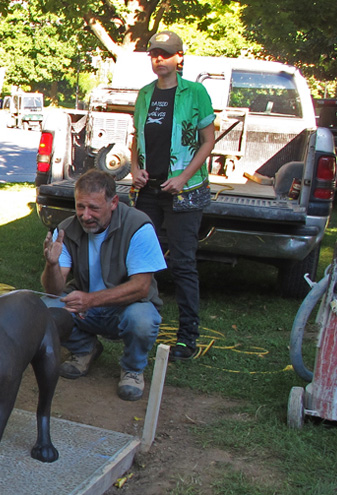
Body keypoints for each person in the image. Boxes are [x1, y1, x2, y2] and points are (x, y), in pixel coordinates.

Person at [41, 169, 167, 401]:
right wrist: (52, 264)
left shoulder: (139, 226)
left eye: (93, 208)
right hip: (86, 306)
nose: (85, 215)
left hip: (127, 306)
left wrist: (90, 300)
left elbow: (141, 287)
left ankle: (132, 369)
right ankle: (84, 349)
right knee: (44, 309)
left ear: (114, 203)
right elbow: (53, 290)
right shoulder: (66, 230)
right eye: (80, 206)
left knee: (143, 319)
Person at [130, 30, 216, 361]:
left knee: (182, 264)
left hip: (185, 192)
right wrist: (135, 168)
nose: (158, 60)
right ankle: (143, 326)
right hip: (149, 191)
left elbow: (208, 140)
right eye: (153, 54)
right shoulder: (145, 94)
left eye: (165, 54)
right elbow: (137, 137)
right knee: (140, 259)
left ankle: (187, 336)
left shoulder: (195, 93)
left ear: (179, 57)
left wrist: (183, 177)